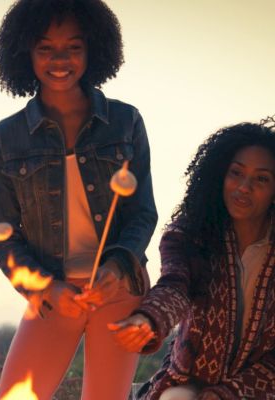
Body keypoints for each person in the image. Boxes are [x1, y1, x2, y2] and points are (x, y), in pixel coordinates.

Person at [0, 0, 157, 398]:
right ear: (24, 52)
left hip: (118, 289)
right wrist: (45, 289)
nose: (59, 59)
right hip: (52, 294)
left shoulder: (126, 121)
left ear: (93, 49)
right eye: (45, 48)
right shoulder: (6, 137)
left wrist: (117, 266)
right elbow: (2, 237)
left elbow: (142, 213)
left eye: (73, 47)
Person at [110, 118, 275, 400]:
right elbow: (175, 286)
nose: (244, 187)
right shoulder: (190, 235)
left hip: (262, 387)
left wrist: (228, 393)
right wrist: (148, 320)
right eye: (236, 173)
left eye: (261, 178)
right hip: (190, 382)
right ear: (219, 175)